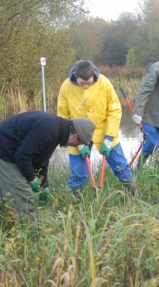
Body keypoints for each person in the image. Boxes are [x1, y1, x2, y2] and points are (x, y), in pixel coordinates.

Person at [0, 111, 95, 220]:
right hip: (3, 148)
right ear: (75, 135)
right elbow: (22, 156)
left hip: (0, 144)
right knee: (24, 196)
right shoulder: (49, 130)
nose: (76, 146)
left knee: (2, 195)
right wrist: (32, 178)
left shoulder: (57, 129)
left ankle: (0, 226)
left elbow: (41, 161)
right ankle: (31, 236)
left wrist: (44, 184)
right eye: (79, 143)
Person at [57, 60, 136, 194]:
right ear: (76, 77)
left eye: (89, 83)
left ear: (94, 75)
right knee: (78, 173)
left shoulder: (104, 83)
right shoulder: (66, 87)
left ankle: (133, 196)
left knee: (121, 166)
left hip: (104, 130)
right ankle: (76, 202)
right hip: (77, 134)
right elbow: (63, 117)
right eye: (82, 84)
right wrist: (78, 144)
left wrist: (109, 138)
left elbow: (115, 110)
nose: (86, 86)